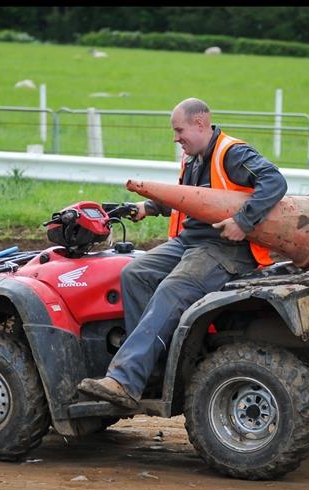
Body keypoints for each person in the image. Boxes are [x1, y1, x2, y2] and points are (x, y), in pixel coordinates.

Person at [77, 97, 288, 409]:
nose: (176, 137)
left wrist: (244, 222)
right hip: (191, 242)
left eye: (179, 130)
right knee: (135, 273)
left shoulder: (232, 153)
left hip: (226, 249)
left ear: (200, 124)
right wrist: (146, 207)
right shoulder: (194, 158)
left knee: (172, 289)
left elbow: (274, 181)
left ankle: (124, 379)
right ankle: (151, 369)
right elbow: (191, 199)